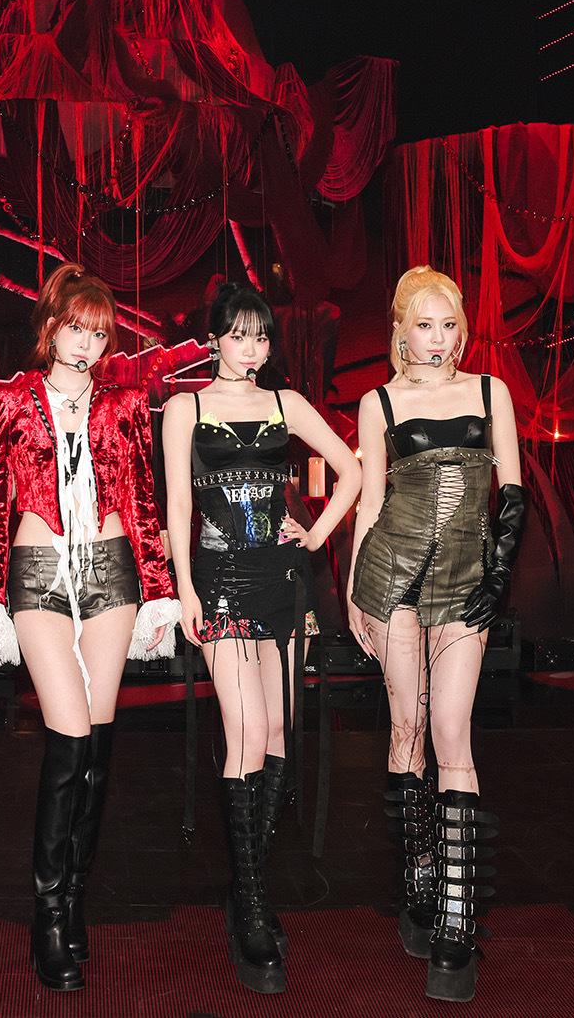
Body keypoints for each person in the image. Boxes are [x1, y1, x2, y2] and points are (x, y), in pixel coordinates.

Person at [0, 262, 177, 992]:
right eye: (76, 328)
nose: (87, 344)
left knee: (98, 739)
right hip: (38, 569)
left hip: (110, 570)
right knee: (70, 732)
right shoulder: (10, 401)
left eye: (99, 333)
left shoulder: (126, 403)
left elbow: (143, 501)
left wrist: (159, 591)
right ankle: (48, 916)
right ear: (51, 326)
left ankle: (74, 897)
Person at [160, 282, 360, 994]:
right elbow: (177, 504)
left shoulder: (288, 404)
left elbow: (354, 469)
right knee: (244, 731)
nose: (251, 349)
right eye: (239, 335)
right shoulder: (184, 408)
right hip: (218, 583)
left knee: (277, 732)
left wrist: (317, 533)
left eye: (261, 336)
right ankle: (249, 905)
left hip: (281, 583)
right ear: (215, 338)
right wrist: (184, 588)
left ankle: (249, 884)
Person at [346, 266, 527, 1003]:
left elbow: (511, 491)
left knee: (452, 731)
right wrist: (353, 593)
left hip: (465, 581)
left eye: (449, 324)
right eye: (424, 325)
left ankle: (457, 917)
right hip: (390, 576)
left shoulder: (491, 392)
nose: (438, 338)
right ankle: (419, 877)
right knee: (407, 729)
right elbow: (370, 503)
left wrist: (497, 575)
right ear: (400, 330)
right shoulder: (379, 402)